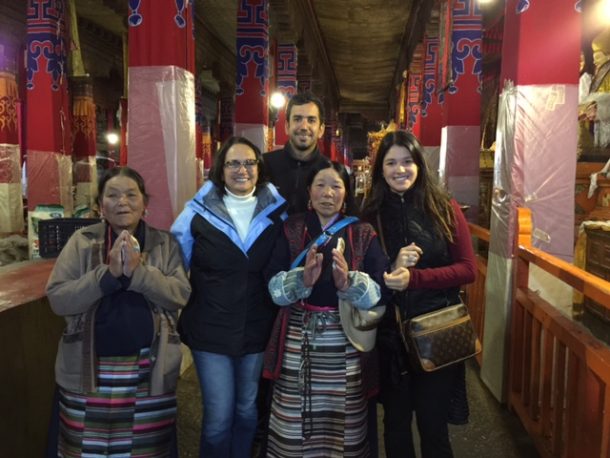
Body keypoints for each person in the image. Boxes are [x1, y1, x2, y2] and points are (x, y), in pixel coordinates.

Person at [46, 166, 191, 457]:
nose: (122, 201)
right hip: (88, 367)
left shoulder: (165, 244)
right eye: (112, 195)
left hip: (149, 369)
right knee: (87, 450)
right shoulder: (82, 241)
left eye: (130, 194)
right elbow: (59, 298)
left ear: (144, 204)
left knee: (145, 450)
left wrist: (139, 273)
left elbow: (179, 294)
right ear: (101, 205)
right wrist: (107, 276)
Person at [361, 130, 477, 458]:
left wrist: (415, 278)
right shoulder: (371, 214)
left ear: (419, 165)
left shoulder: (444, 206)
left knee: (433, 427)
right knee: (395, 426)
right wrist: (391, 269)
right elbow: (364, 277)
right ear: (380, 169)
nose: (400, 170)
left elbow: (468, 269)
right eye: (391, 163)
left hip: (436, 332)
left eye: (407, 161)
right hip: (391, 338)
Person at [170, 136, 287, 458]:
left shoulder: (277, 212)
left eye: (249, 162)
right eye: (233, 163)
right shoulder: (195, 214)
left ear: (259, 168)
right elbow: (175, 263)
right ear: (220, 169)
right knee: (219, 417)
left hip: (257, 326)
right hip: (210, 327)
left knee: (248, 410)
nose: (241, 169)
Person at [264, 161, 388, 457]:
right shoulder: (292, 228)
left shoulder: (362, 232)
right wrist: (300, 280)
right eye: (320, 185)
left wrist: (348, 284)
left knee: (343, 418)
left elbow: (380, 293)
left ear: (346, 193)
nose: (328, 193)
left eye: (336, 186)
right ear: (308, 191)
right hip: (298, 335)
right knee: (294, 417)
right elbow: (271, 284)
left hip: (344, 339)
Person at [264, 91, 330, 214]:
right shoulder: (264, 165)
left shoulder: (332, 171)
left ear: (321, 130)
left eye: (311, 120)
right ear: (287, 126)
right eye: (297, 119)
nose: (304, 127)